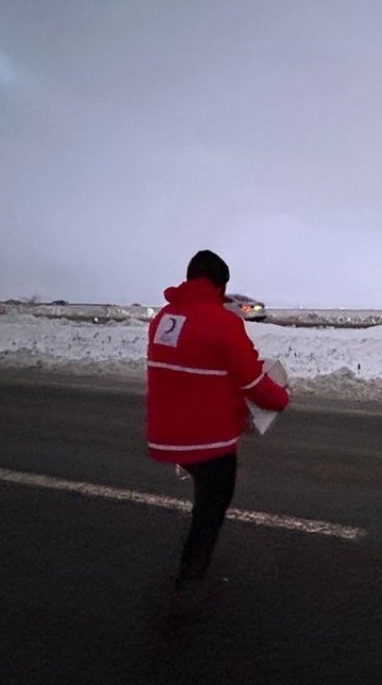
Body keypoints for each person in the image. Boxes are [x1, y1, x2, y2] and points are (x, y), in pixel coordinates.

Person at [146, 249, 289, 610]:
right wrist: (282, 398)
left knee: (204, 496)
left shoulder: (163, 319)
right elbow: (254, 382)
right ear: (221, 285)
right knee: (212, 507)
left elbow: (198, 366)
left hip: (166, 432)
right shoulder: (223, 323)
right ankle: (189, 581)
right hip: (207, 439)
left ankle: (192, 565)